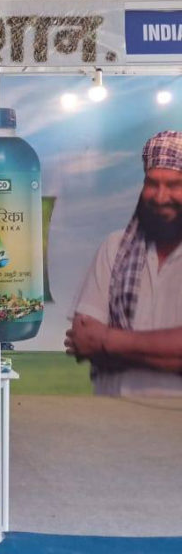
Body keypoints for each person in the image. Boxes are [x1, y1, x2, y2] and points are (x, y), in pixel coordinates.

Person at [66, 130, 182, 396]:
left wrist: (108, 341)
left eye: (174, 185)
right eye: (152, 183)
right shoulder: (115, 246)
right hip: (115, 411)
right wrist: (165, 352)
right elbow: (84, 338)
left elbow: (97, 341)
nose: (160, 196)